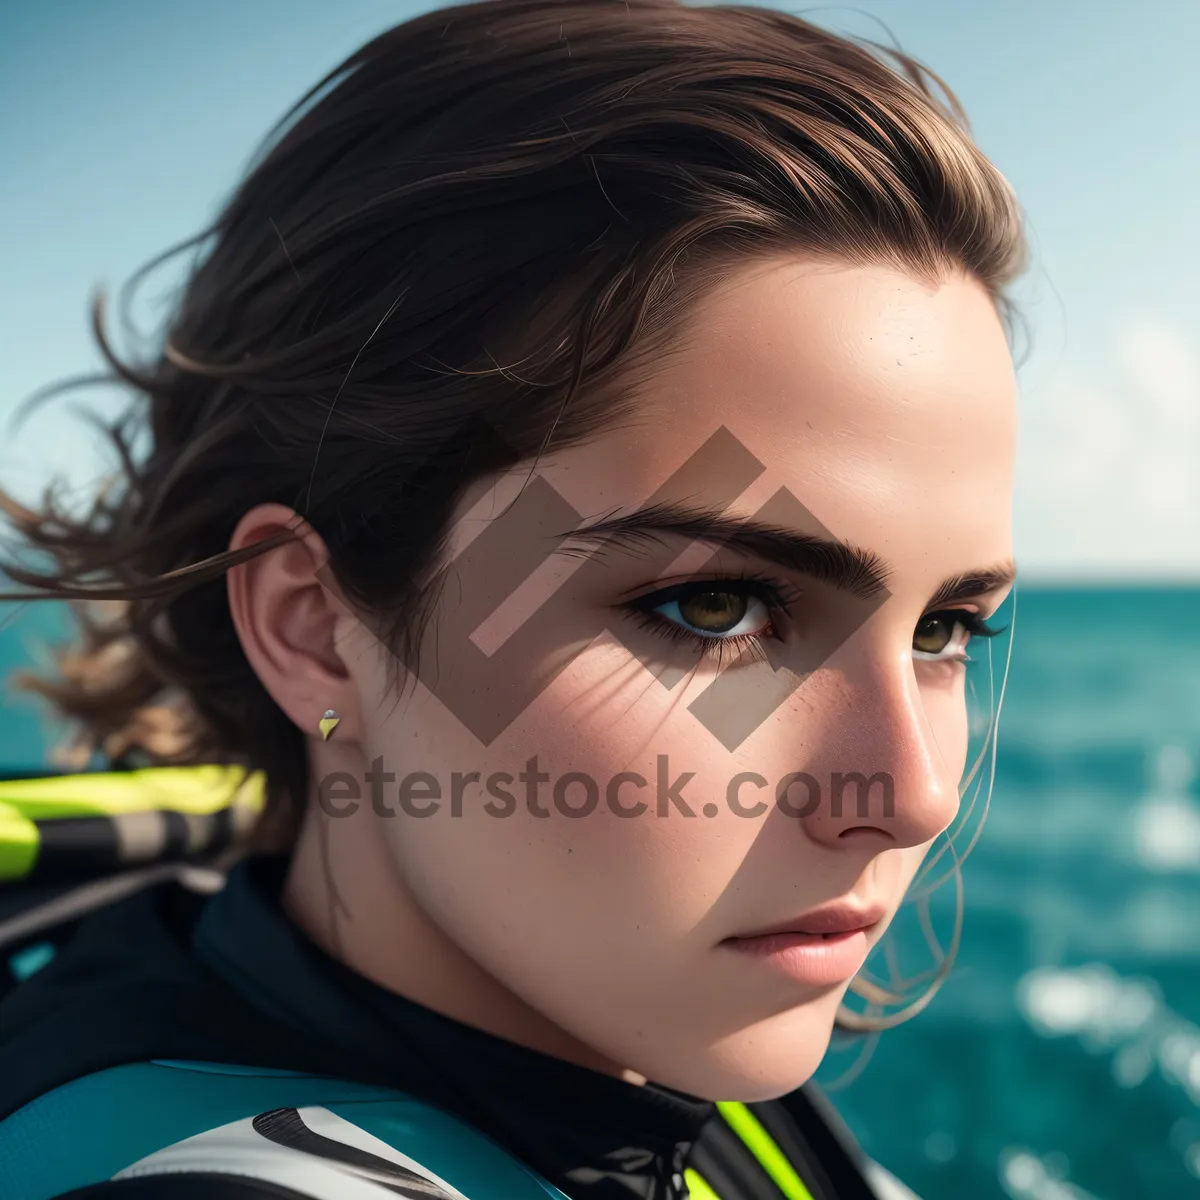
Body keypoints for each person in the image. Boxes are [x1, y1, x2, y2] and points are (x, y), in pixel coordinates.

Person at [0, 1, 1024, 1197]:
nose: (913, 797)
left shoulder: (629, 1059)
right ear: (312, 624)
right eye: (717, 611)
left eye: (946, 628)